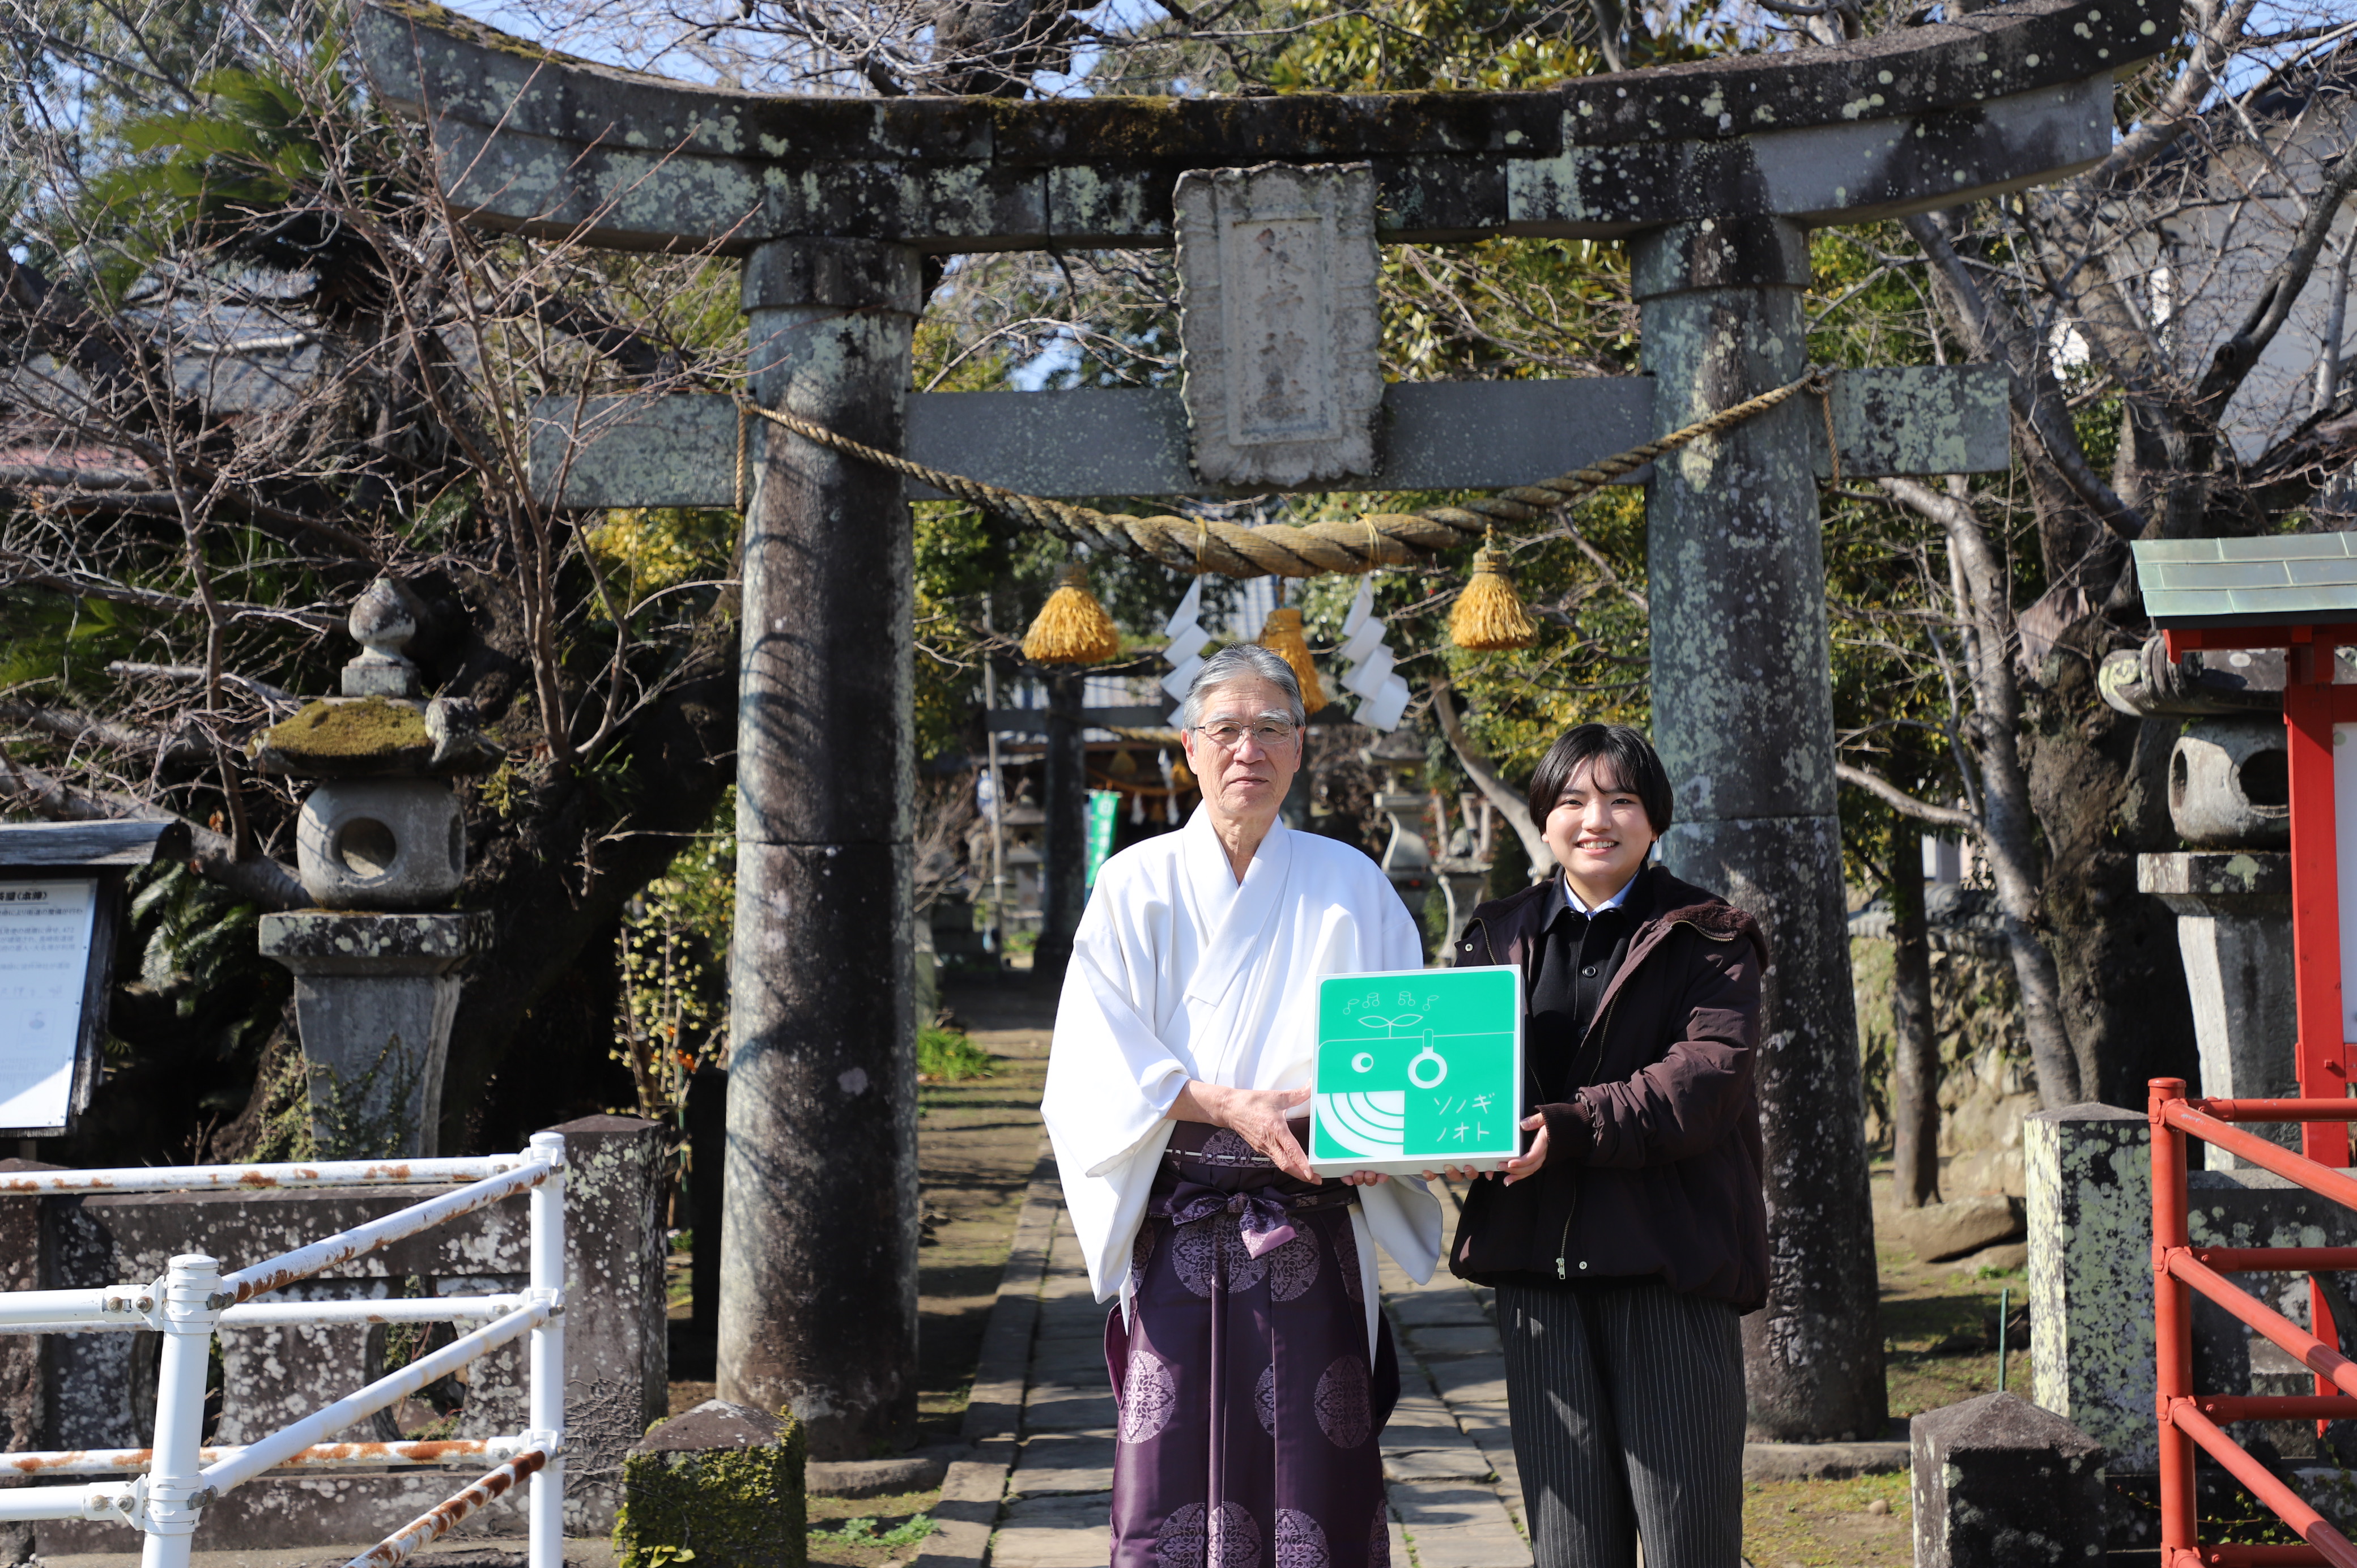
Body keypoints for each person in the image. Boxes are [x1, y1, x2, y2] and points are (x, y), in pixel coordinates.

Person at [1044, 642, 1443, 1568]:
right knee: (1169, 1479)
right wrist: (1228, 1107)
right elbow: (1093, 1066)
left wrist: (1396, 1132)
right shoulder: (1132, 884)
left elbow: (1408, 1052)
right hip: (1183, 1227)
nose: (1247, 751)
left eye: (1271, 729)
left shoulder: (1354, 887)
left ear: (1301, 748)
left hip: (1309, 1220)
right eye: (1225, 729)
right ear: (1188, 746)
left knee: (1321, 1481)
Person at [1435, 723, 1767, 1568]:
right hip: (1537, 1275)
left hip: (1667, 1267)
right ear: (1545, 817)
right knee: (1569, 1547)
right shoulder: (1497, 933)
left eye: (1622, 800)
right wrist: (1446, 1139)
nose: (1598, 819)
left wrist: (1573, 1128)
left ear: (1654, 819)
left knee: (1689, 1538)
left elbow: (1706, 1079)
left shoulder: (1712, 935)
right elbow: (1456, 1077)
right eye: (1575, 800)